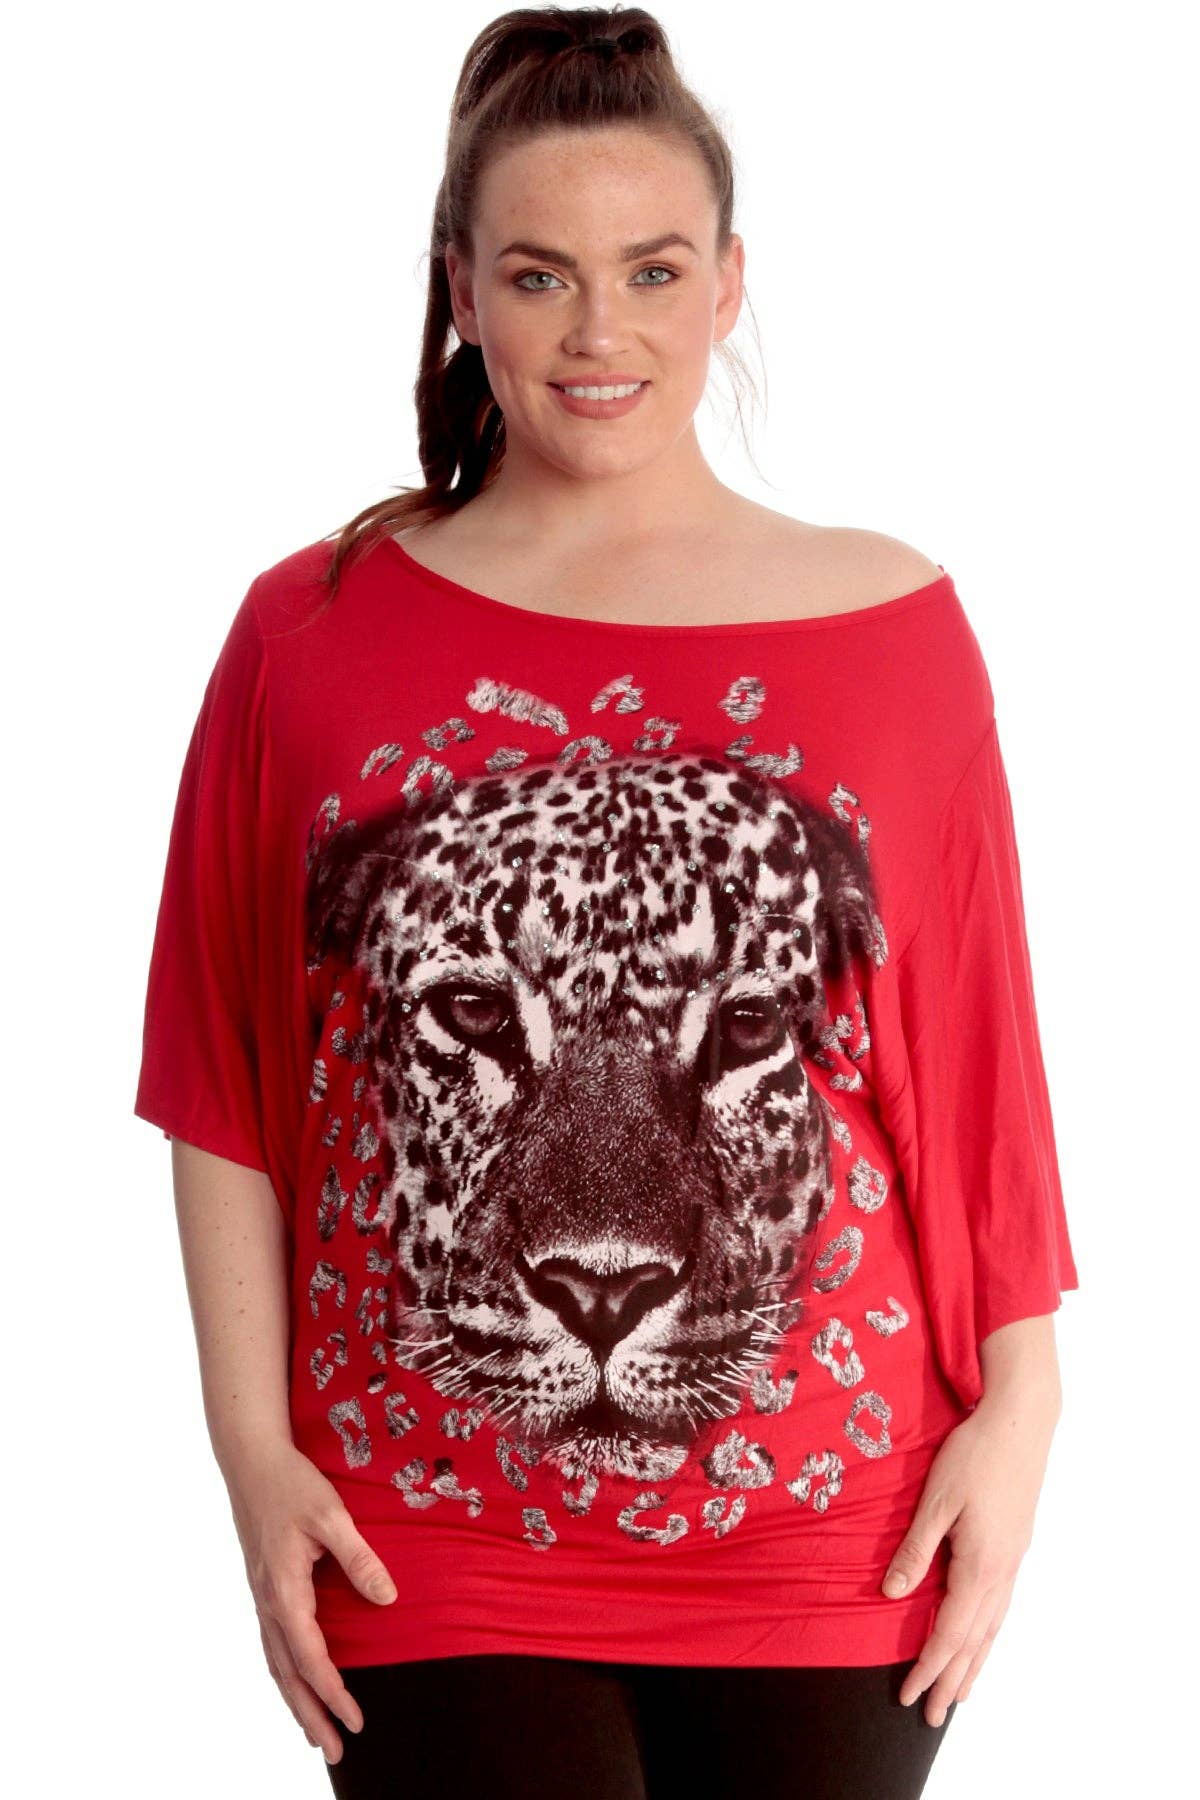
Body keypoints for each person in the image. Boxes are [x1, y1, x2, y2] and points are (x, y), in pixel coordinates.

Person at [132, 8, 1079, 1796]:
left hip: (827, 1520)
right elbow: (225, 1078)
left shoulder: (891, 626)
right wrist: (251, 1458)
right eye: (539, 275)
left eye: (651, 270)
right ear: (461, 293)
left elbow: (973, 1074)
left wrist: (1026, 1406)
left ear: (729, 286)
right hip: (423, 1525)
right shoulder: (308, 633)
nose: (599, 331)